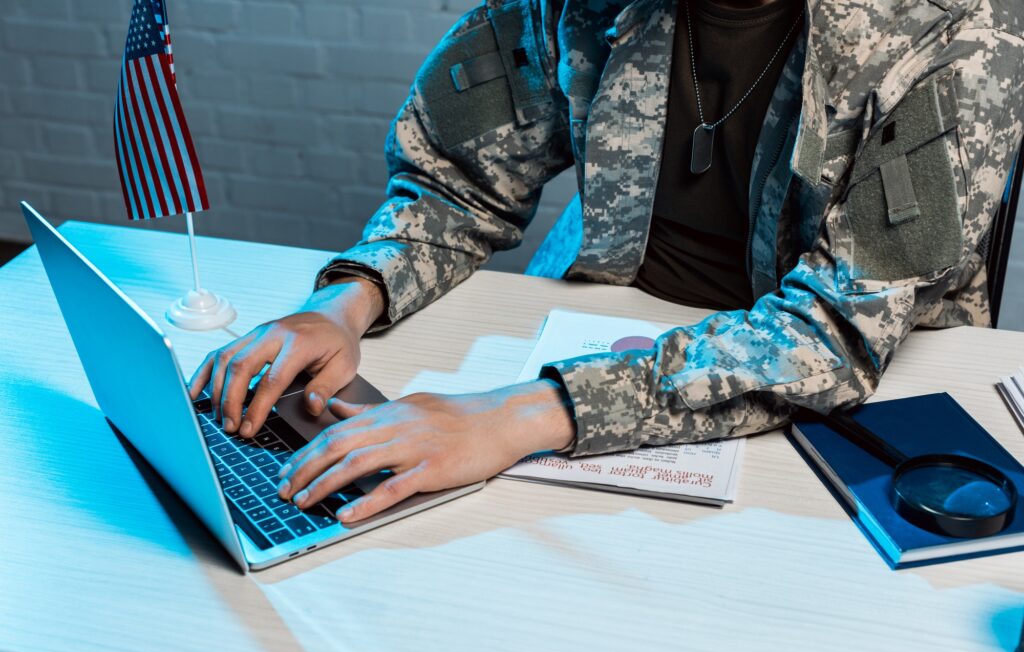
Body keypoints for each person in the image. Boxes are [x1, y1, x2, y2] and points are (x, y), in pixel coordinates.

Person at [189, 0, 1024, 523]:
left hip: (855, 407)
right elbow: (457, 178)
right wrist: (351, 297)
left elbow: (834, 333)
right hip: (600, 322)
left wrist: (511, 417)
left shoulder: (964, 26)